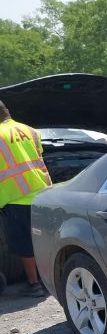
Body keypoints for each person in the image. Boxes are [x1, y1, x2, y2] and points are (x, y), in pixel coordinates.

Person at [0, 99, 51, 297]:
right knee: (43, 239)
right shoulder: (31, 131)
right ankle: (49, 281)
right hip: (42, 194)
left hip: (15, 197)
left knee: (24, 244)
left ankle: (34, 284)